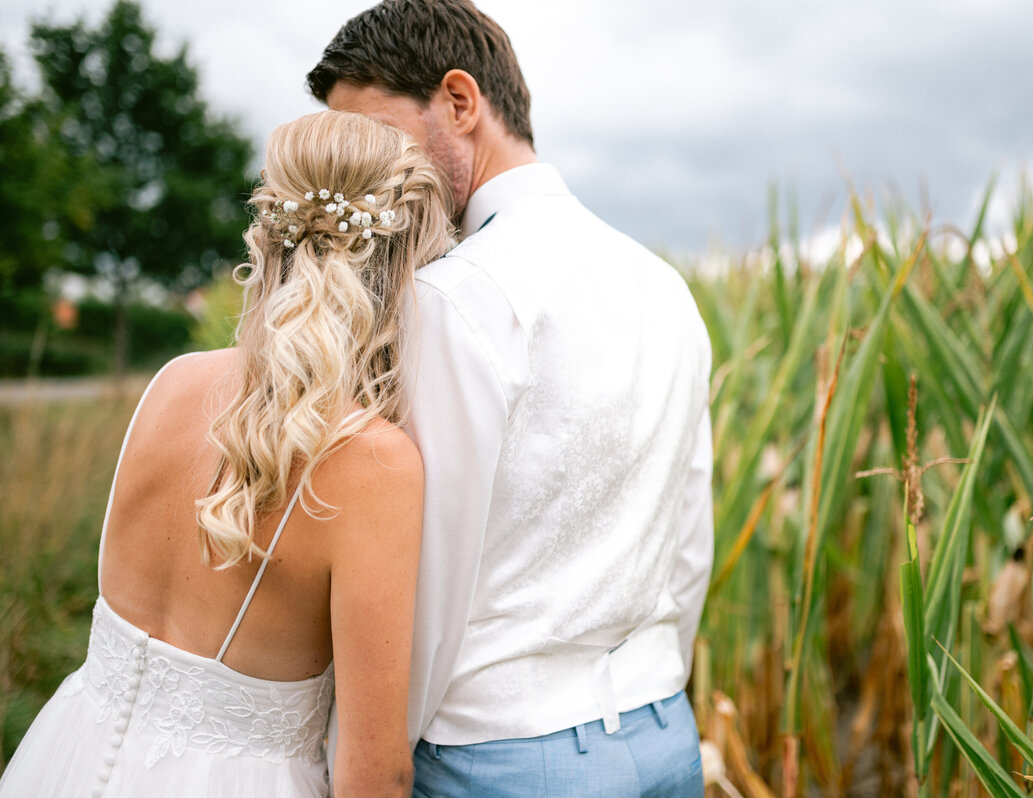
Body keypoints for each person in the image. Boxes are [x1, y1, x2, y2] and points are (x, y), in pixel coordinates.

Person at [308, 2, 714, 794]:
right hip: (665, 734)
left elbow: (431, 579)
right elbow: (689, 536)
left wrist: (370, 766)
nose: (365, 176)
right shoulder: (664, 286)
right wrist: (652, 683)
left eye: (373, 138)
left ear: (460, 102)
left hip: (499, 757)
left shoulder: (456, 297)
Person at [0, 110, 454, 798]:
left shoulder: (171, 381)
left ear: (268, 234)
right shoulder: (374, 463)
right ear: (402, 269)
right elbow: (376, 776)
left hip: (67, 756)